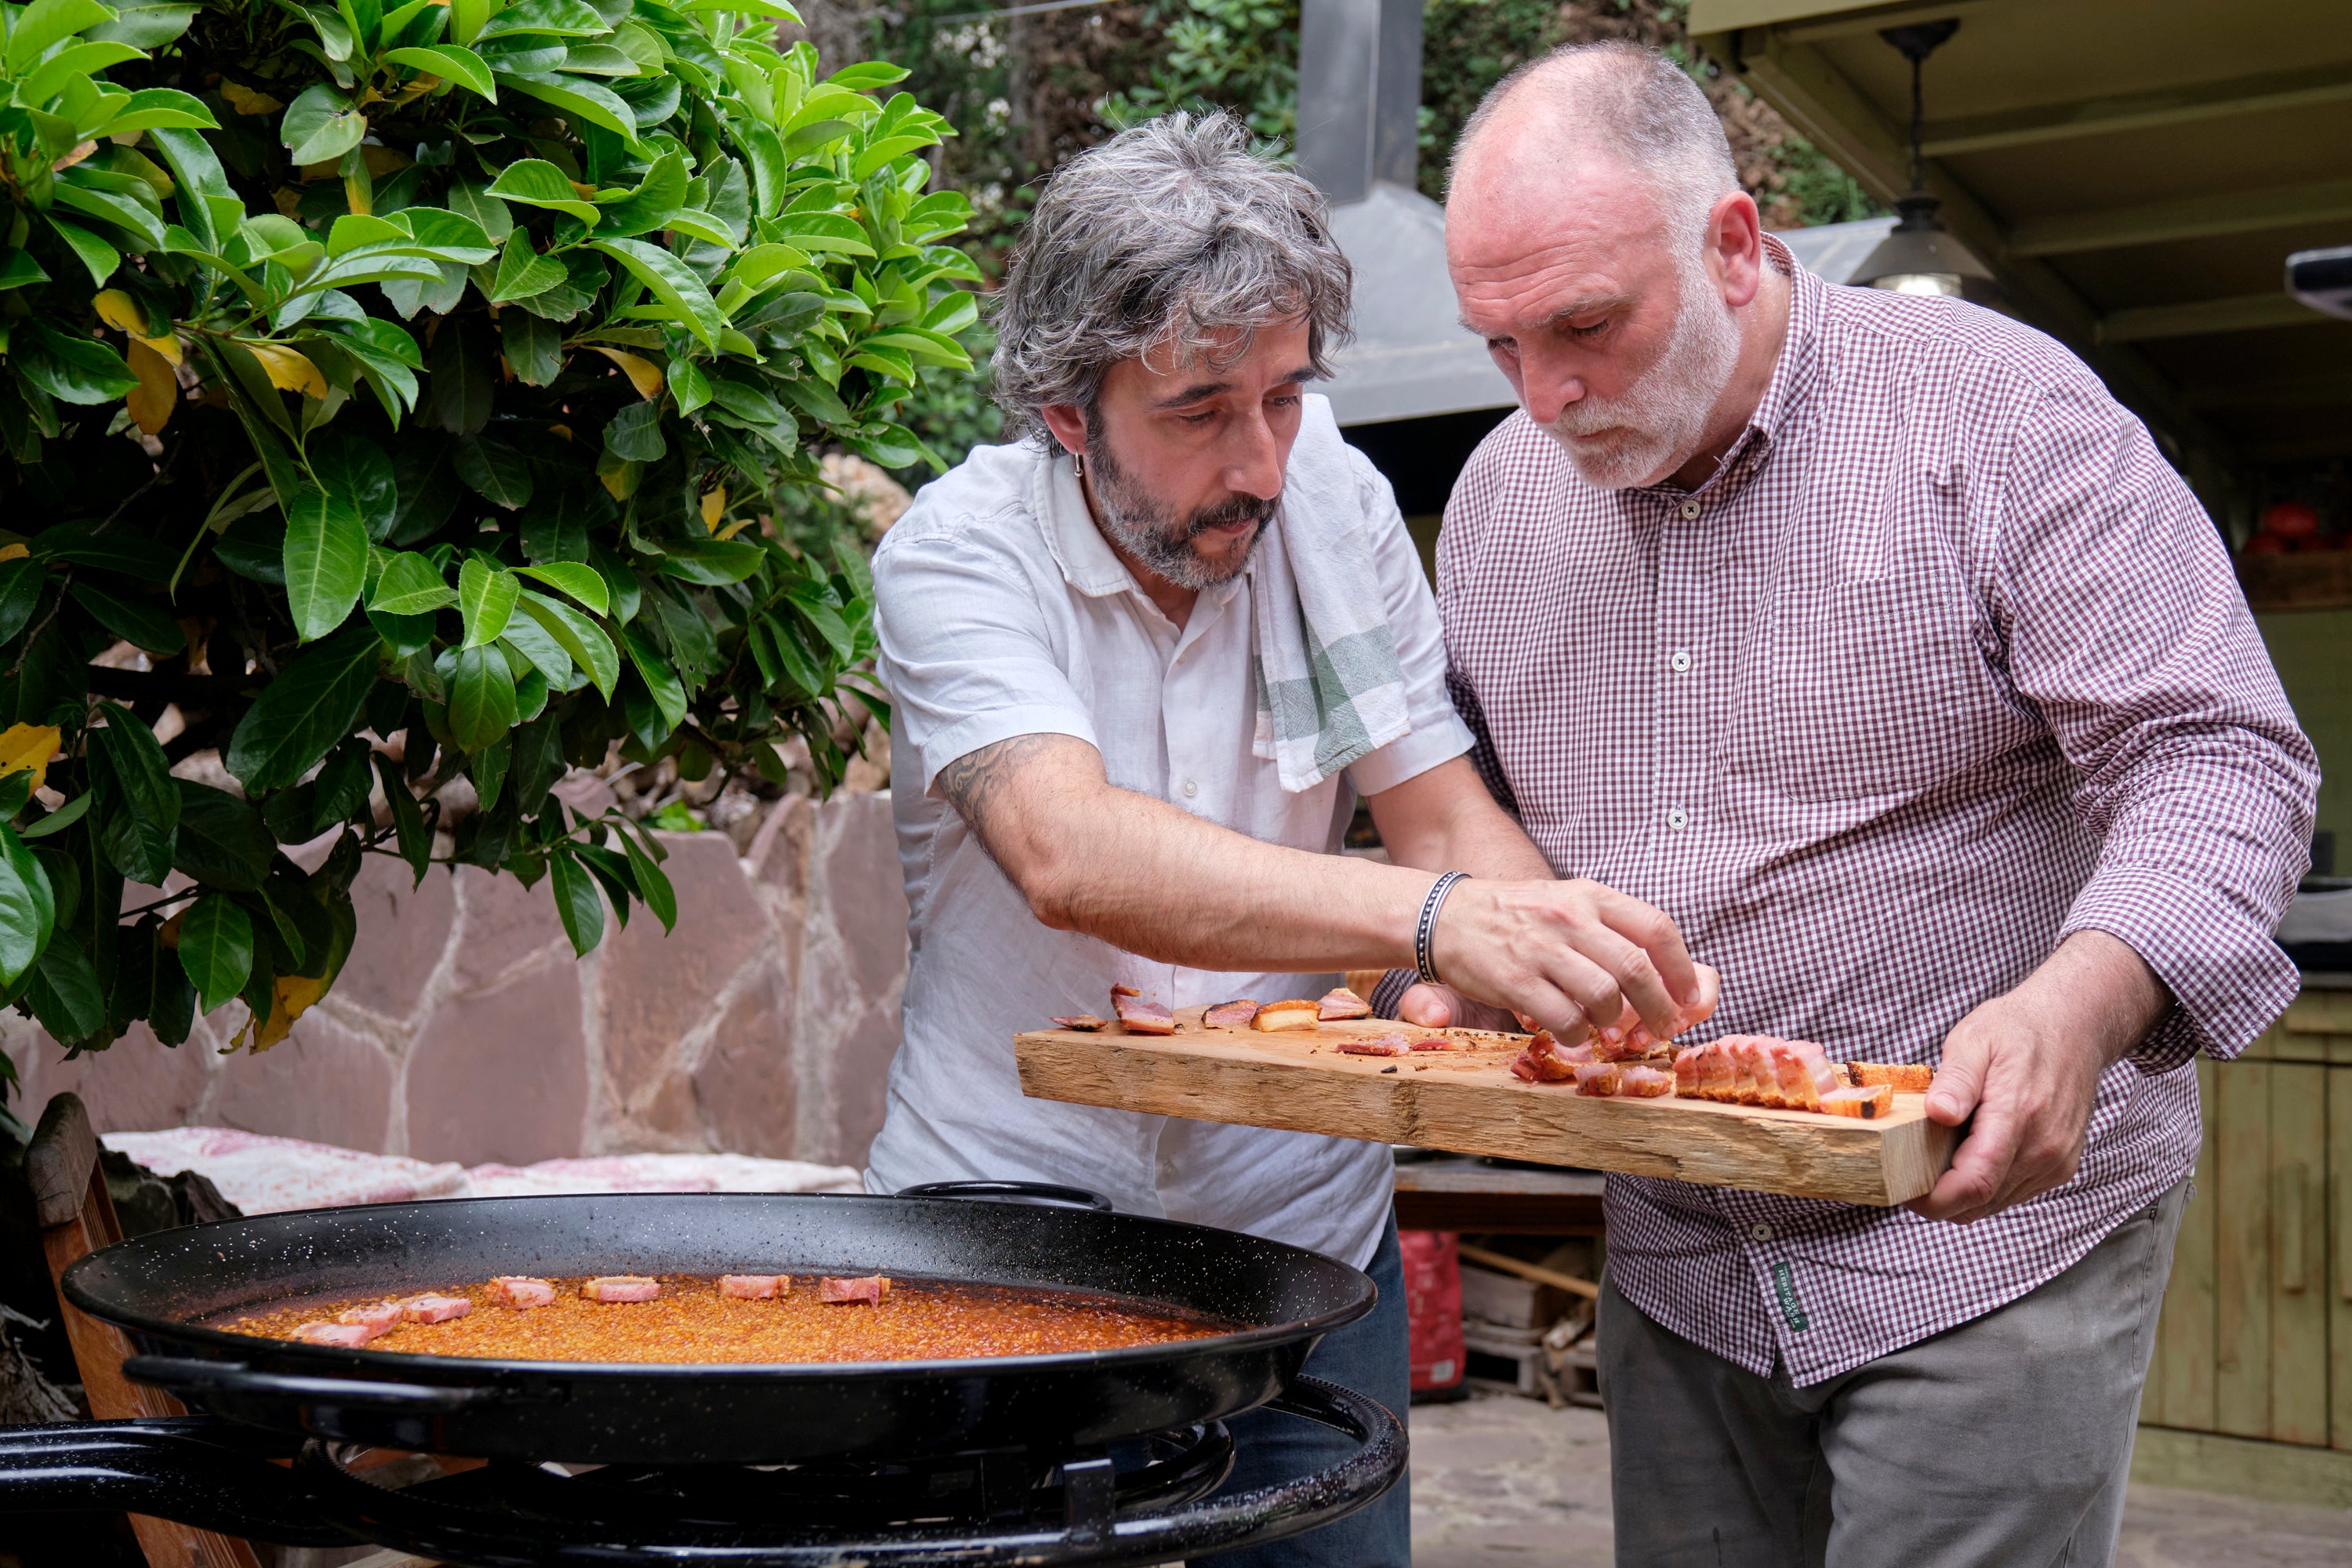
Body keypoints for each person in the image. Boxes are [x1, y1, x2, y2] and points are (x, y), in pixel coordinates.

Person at [1377, 42, 2321, 1568]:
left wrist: (2081, 1000)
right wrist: (1461, 966)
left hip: (1981, 1240)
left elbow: (2220, 755)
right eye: (1500, 345)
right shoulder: (1494, 504)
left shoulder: (2001, 415)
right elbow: (1480, 832)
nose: (1546, 394)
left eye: (1588, 327)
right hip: (1681, 1250)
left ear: (1737, 246)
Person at [862, 110, 1716, 1566]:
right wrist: (1439, 922)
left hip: (1304, 1238)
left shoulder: (1330, 496)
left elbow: (1442, 813)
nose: (1258, 460)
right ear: (1069, 413)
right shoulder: (957, 555)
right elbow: (1071, 853)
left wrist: (1575, 963)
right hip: (1014, 1226)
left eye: (1285, 394)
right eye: (1200, 411)